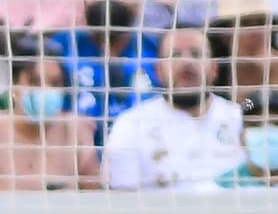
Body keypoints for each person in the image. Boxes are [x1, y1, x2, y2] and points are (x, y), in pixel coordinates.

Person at [103, 26, 245, 191]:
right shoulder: (130, 125)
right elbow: (121, 198)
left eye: (196, 54)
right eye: (175, 55)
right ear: (158, 71)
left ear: (214, 69)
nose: (187, 62)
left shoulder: (239, 119)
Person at [0, 38, 100, 192]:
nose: (45, 90)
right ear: (13, 85)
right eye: (35, 82)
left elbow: (95, 199)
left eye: (55, 83)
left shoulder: (76, 132)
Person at [52, 0, 159, 146]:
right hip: (74, 153)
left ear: (137, 0)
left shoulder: (157, 51)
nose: (108, 0)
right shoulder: (59, 49)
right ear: (84, 0)